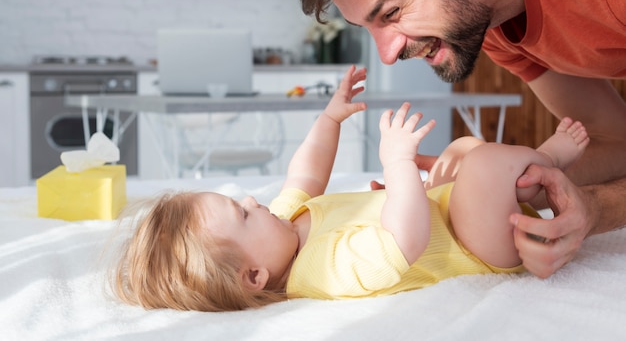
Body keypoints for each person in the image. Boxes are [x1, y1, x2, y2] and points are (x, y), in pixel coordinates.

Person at [111, 65, 589, 311]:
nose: (252, 200)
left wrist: (329, 118)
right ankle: (547, 162)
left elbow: (304, 175)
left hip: (446, 211)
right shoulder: (320, 271)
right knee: (482, 164)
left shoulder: (284, 227)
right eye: (242, 214)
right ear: (255, 278)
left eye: (240, 201)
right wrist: (397, 166)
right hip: (474, 247)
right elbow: (404, 242)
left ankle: (520, 183)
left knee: (462, 149)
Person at [295, 0, 626, 278]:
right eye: (367, 27)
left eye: (390, 13)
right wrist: (496, 184)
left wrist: (598, 209)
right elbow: (613, 142)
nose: (386, 55)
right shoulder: (493, 17)